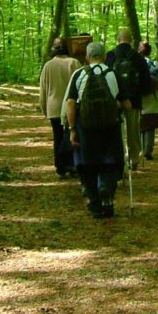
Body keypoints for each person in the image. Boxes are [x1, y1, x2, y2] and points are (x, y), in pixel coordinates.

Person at [65, 41, 133, 218]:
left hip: (85, 127)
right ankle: (107, 192)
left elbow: (71, 103)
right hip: (110, 127)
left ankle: (94, 203)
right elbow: (127, 104)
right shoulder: (113, 74)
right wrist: (118, 105)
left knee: (87, 165)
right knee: (111, 162)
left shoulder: (78, 74)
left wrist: (72, 129)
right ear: (103, 56)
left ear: (87, 57)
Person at [105, 28, 152, 171]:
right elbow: (146, 81)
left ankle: (120, 160)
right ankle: (134, 159)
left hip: (116, 100)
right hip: (134, 100)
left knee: (117, 131)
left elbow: (105, 77)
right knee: (133, 131)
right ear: (131, 40)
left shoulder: (110, 56)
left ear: (117, 40)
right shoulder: (138, 57)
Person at [39, 38, 78, 178]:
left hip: (54, 107)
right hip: (70, 106)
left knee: (58, 137)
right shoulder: (74, 63)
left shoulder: (48, 66)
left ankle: (60, 168)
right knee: (71, 136)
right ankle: (72, 165)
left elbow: (42, 91)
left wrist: (44, 109)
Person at [138, 41, 158, 160]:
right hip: (152, 97)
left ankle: (141, 149)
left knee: (141, 124)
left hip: (138, 98)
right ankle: (148, 149)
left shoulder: (135, 64)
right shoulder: (154, 63)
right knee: (150, 125)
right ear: (150, 51)